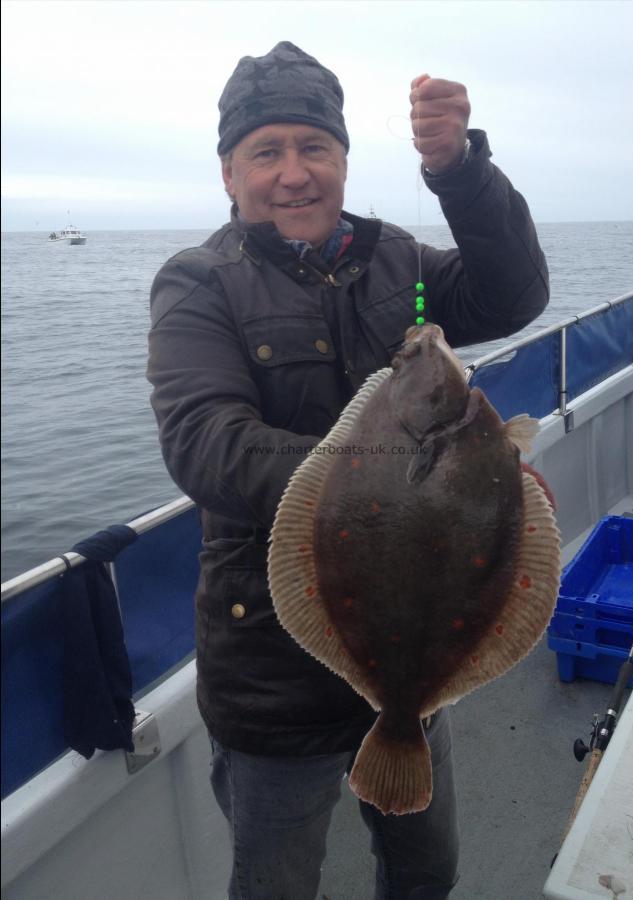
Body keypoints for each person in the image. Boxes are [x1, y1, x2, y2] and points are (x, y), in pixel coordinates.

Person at [147, 41, 549, 900]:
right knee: (279, 885)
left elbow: (510, 297)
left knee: (425, 872)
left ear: (341, 159)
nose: (294, 174)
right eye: (267, 152)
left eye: (314, 147)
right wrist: (393, 473)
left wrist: (459, 172)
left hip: (419, 662)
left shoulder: (393, 257)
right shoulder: (196, 285)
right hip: (270, 679)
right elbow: (204, 443)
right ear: (229, 173)